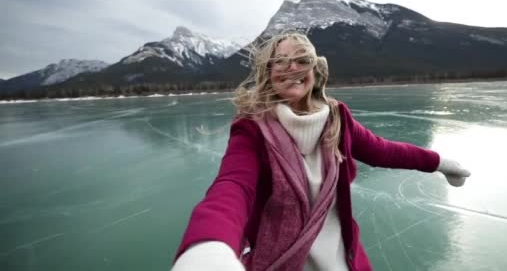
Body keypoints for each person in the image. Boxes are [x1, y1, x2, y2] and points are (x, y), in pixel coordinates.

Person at [172, 32, 470, 271]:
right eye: (280, 61)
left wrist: (442, 163)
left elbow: (385, 151)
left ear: (316, 70)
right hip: (279, 261)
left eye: (301, 59)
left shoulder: (337, 118)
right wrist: (208, 245)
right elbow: (233, 185)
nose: (291, 67)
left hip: (342, 259)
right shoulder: (252, 128)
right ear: (268, 72)